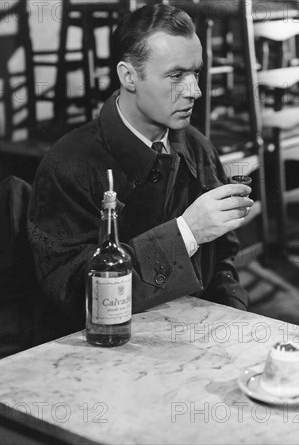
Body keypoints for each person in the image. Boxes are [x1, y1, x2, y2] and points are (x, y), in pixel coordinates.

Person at [28, 4, 252, 337]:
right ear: (129, 76)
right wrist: (187, 232)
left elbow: (224, 258)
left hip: (189, 340)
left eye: (196, 72)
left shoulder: (196, 146)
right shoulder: (68, 164)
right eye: (176, 75)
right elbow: (78, 294)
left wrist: (234, 322)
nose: (195, 91)